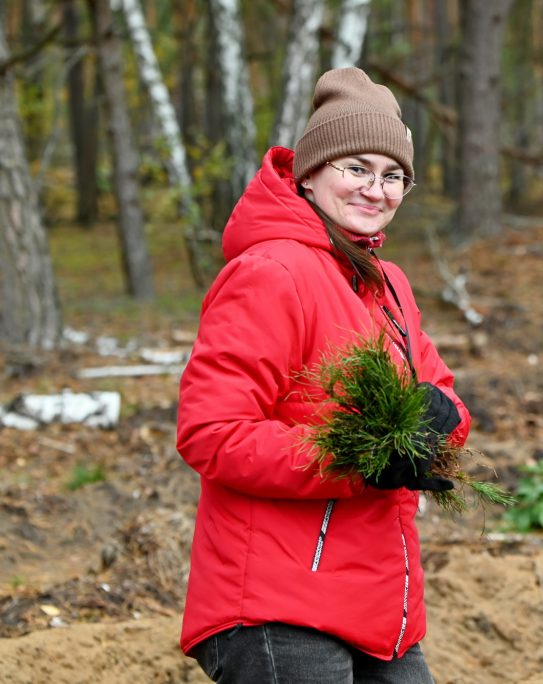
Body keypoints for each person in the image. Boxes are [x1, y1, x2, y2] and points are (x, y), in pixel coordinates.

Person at [176, 67, 470, 683]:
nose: (375, 189)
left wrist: (441, 420)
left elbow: (441, 392)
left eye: (393, 176)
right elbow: (212, 431)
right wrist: (355, 459)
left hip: (380, 601)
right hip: (277, 603)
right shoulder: (271, 272)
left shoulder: (388, 284)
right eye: (356, 168)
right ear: (309, 173)